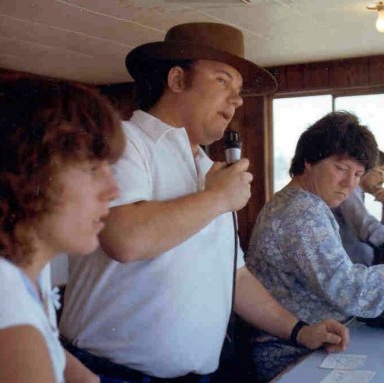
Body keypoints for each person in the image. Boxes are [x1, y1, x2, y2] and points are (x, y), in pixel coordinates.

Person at [59, 23, 348, 383]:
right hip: (111, 374)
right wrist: (216, 199)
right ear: (177, 80)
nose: (238, 100)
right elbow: (123, 238)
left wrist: (299, 330)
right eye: (223, 81)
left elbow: (234, 276)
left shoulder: (207, 169)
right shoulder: (123, 141)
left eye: (240, 90)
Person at [0, 77, 124, 383]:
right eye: (92, 168)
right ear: (29, 175)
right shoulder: (12, 325)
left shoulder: (25, 268)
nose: (114, 190)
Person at [246, 111, 384, 382]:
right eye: (341, 169)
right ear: (309, 160)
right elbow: (346, 288)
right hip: (288, 354)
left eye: (358, 174)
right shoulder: (300, 212)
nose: (349, 184)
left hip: (316, 341)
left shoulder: (306, 202)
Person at [333, 151, 384, 265]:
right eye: (382, 172)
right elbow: (365, 228)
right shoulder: (350, 191)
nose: (382, 180)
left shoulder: (357, 193)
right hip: (350, 269)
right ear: (369, 169)